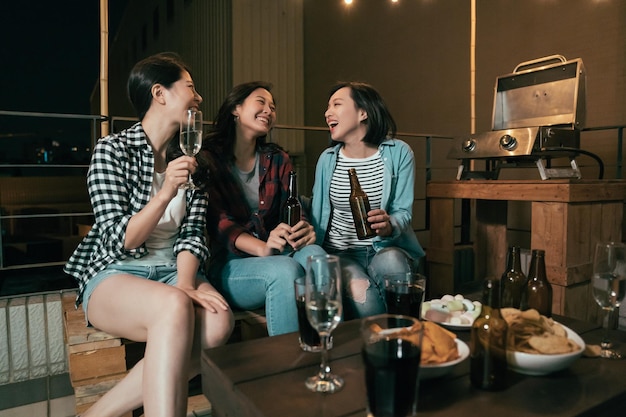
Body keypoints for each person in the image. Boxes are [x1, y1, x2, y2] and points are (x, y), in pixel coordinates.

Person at [64, 52, 234, 417]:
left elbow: (192, 235)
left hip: (173, 268)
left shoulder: (193, 159)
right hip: (117, 271)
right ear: (160, 93)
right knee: (172, 307)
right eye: (190, 87)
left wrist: (186, 282)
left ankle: (98, 413)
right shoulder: (112, 150)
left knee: (220, 321)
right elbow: (118, 239)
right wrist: (165, 193)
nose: (199, 97)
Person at [198, 81, 326, 336]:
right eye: (261, 102)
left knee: (319, 259)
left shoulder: (278, 158)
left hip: (279, 252)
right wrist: (264, 248)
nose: (269, 110)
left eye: (273, 106)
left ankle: (321, 350)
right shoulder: (208, 159)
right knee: (284, 271)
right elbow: (220, 224)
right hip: (231, 265)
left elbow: (292, 206)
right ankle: (289, 366)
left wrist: (302, 229)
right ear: (236, 109)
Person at [309, 81, 425, 320]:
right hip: (341, 253)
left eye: (337, 104)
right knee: (367, 302)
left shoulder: (399, 152)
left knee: (397, 273)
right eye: (327, 107)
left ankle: (405, 340)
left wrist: (390, 224)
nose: (327, 112)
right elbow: (317, 208)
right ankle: (382, 346)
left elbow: (403, 211)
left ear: (363, 112)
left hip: (383, 248)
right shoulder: (327, 159)